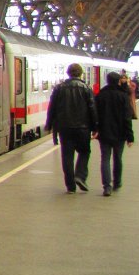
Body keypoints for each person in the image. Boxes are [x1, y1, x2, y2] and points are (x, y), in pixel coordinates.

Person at [44, 63, 97, 193]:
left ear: (68, 73)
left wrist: (49, 124)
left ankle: (70, 186)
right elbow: (92, 108)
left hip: (64, 127)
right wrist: (96, 126)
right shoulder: (86, 88)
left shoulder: (59, 88)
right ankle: (80, 176)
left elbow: (52, 107)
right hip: (83, 128)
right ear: (80, 73)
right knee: (85, 152)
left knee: (67, 156)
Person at [94, 72, 134, 196]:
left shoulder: (101, 95)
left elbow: (95, 114)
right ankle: (117, 182)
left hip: (104, 132)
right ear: (118, 81)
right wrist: (130, 136)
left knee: (105, 158)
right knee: (118, 158)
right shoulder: (123, 96)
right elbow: (127, 118)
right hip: (120, 133)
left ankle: (107, 186)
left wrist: (95, 129)